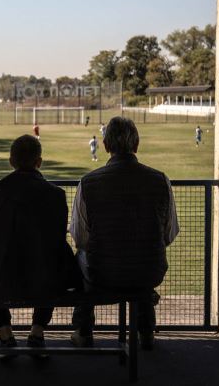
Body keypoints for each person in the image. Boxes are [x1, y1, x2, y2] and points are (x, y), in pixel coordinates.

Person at [70, 117, 179, 350]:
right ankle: (146, 330)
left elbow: (80, 237)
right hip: (149, 271)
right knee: (141, 260)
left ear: (106, 146)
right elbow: (169, 234)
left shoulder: (88, 182)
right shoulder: (160, 180)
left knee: (80, 257)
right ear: (137, 145)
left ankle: (83, 329)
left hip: (104, 273)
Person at [0, 135, 80, 355]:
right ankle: (37, 331)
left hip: (3, 276)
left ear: (11, 162)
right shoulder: (55, 194)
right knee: (52, 258)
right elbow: (56, 238)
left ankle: (5, 333)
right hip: (45, 277)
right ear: (39, 162)